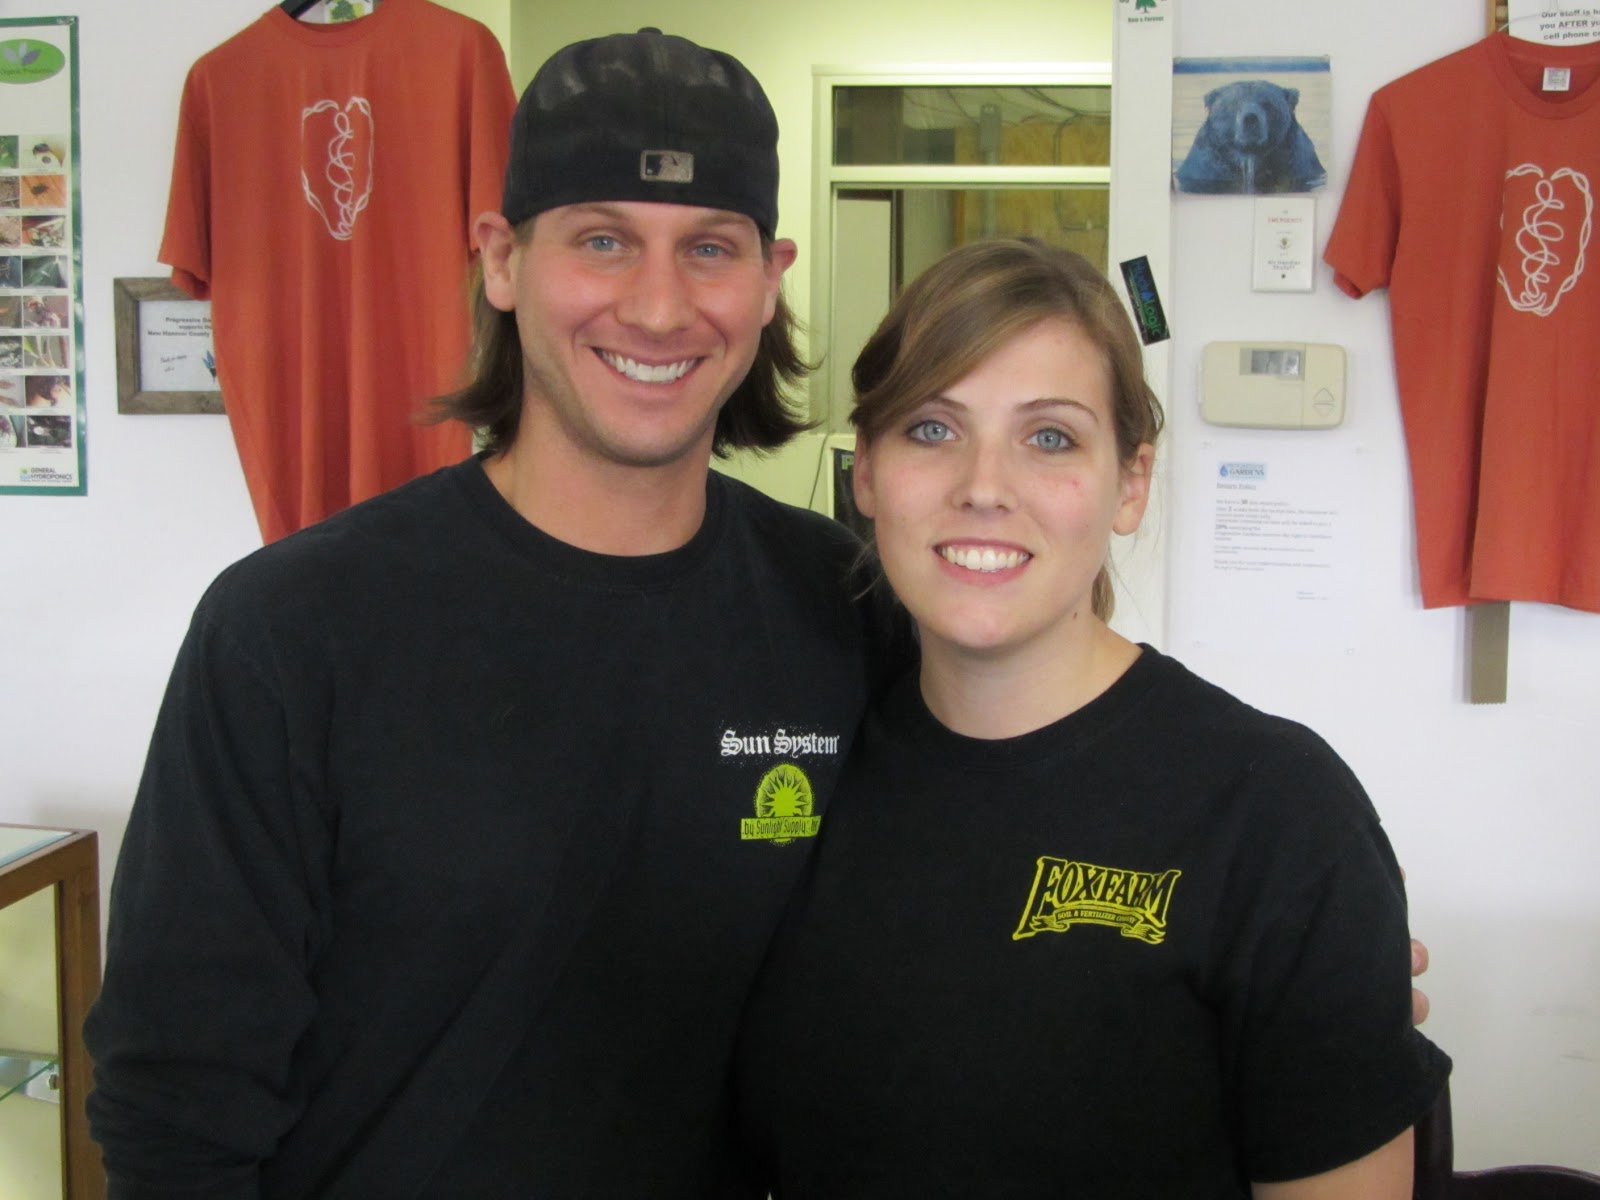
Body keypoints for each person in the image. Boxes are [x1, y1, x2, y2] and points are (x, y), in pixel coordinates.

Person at [84, 30, 889, 1199]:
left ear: (769, 280)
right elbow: (175, 1097)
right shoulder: (293, 629)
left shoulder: (841, 608)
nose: (657, 305)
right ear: (501, 259)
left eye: (708, 248)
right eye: (602, 240)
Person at [735, 238, 1451, 1198]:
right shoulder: (805, 777)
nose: (983, 486)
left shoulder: (1275, 813)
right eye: (932, 429)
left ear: (1131, 482)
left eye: (1049, 438)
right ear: (865, 471)